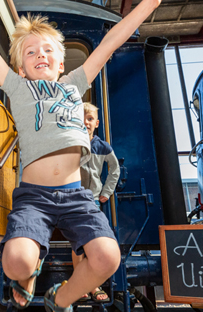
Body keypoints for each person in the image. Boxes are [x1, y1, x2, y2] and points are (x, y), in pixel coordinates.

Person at [0, 0, 168, 312]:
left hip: (76, 195)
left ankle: (59, 299)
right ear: (21, 68)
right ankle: (28, 273)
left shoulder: (75, 85)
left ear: (61, 63)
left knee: (108, 259)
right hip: (34, 197)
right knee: (16, 262)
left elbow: (111, 40)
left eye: (47, 51)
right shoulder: (18, 88)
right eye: (31, 52)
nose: (39, 55)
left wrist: (149, 3)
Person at [73, 102, 121, 303]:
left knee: (93, 241)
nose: (86, 122)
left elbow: (115, 169)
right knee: (77, 243)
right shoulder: (71, 143)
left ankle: (91, 283)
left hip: (92, 199)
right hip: (73, 199)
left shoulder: (103, 147)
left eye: (90, 118)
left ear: (97, 123)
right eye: (81, 118)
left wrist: (106, 192)